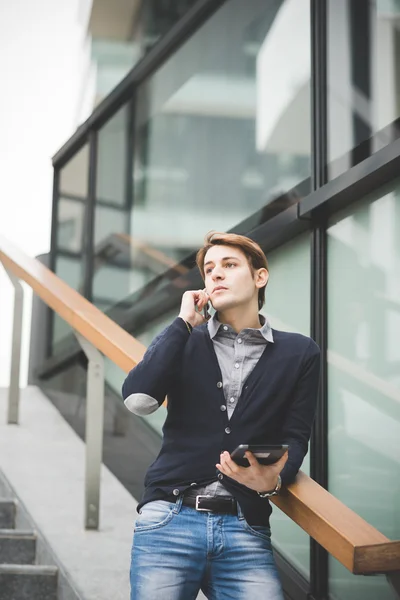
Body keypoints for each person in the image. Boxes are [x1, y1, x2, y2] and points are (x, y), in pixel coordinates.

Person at [122, 231, 320, 600]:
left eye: (229, 265)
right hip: (169, 519)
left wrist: (273, 480)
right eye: (209, 269)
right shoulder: (184, 340)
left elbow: (296, 435)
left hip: (245, 526)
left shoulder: (300, 352)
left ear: (259, 277)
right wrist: (182, 323)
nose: (216, 274)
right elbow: (138, 400)